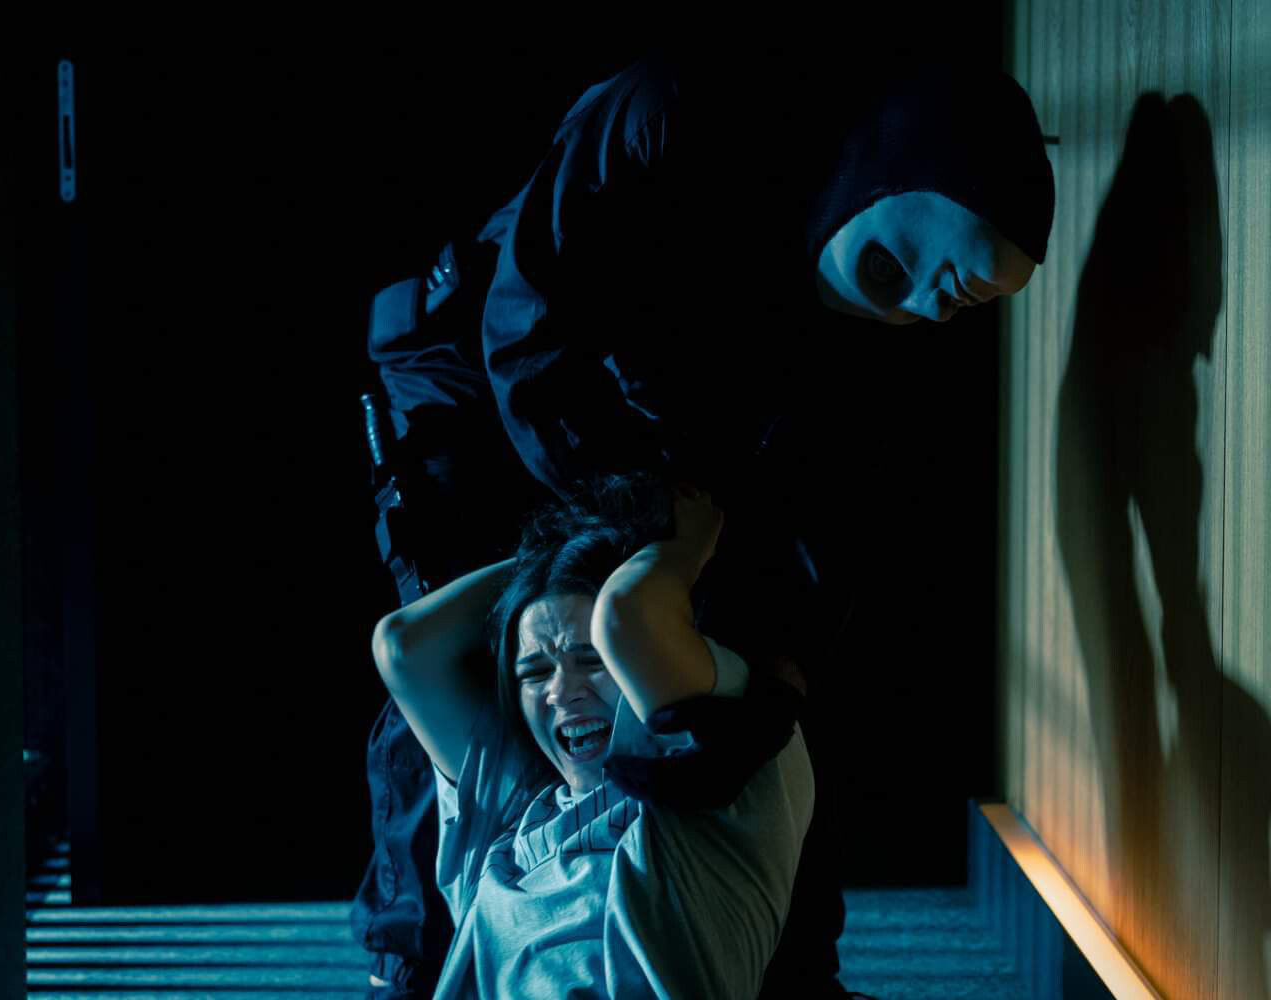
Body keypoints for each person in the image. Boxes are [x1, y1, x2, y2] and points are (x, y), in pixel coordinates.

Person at [355, 45, 1056, 997]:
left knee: (737, 680)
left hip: (652, 445)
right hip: (477, 382)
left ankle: (793, 974)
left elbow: (813, 555)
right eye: (959, 275)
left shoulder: (863, 353)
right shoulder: (673, 118)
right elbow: (527, 338)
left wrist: (771, 669)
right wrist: (630, 536)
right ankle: (416, 964)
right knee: (489, 657)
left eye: (969, 303)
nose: (945, 308)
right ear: (921, 173)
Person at [373, 475, 813, 999]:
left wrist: (681, 548)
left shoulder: (725, 789)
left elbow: (631, 617)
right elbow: (404, 646)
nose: (561, 692)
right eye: (536, 672)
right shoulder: (509, 817)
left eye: (593, 660)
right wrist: (558, 559)